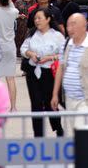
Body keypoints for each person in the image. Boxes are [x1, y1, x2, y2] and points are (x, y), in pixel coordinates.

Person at [51, 13, 88, 115]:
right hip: (69, 98)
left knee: (81, 128)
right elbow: (61, 68)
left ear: (84, 26)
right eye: (68, 25)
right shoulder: (66, 43)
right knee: (73, 130)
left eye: (74, 25)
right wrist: (55, 94)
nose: (70, 28)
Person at [20, 8, 65, 137]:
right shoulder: (32, 34)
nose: (37, 21)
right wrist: (31, 54)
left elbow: (63, 54)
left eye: (39, 18)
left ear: (48, 19)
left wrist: (50, 58)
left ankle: (58, 128)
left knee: (51, 102)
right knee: (36, 104)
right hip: (33, 73)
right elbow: (23, 48)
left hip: (49, 73)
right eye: (35, 18)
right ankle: (38, 135)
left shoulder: (57, 35)